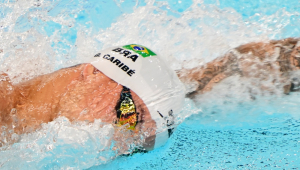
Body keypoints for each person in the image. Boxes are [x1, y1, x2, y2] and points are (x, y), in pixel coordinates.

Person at [1, 37, 300, 151]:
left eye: (137, 145)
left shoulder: (102, 92)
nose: (118, 141)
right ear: (91, 72)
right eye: (128, 114)